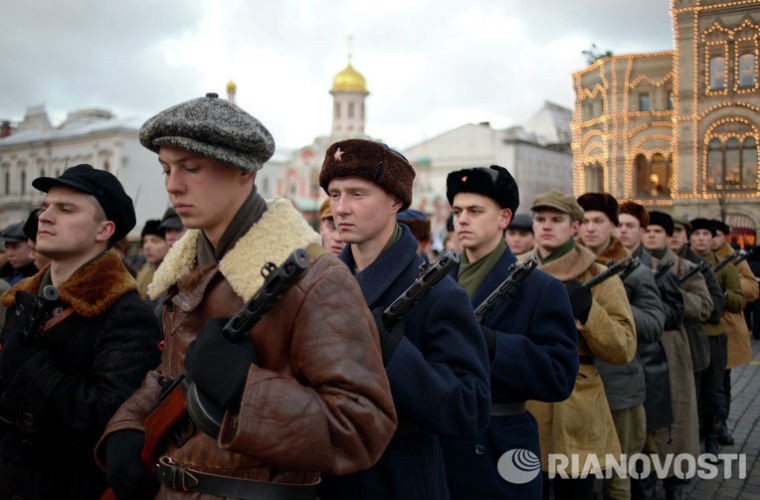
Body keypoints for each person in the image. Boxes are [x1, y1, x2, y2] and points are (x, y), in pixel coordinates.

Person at [95, 93, 397, 500]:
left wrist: (246, 390)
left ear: (245, 171)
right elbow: (171, 375)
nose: (172, 184)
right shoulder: (185, 268)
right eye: (166, 168)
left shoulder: (316, 280)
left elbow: (363, 429)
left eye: (192, 167)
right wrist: (128, 425)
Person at [318, 138, 490, 499]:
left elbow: (468, 408)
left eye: (357, 194)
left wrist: (393, 352)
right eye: (334, 195)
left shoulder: (439, 295)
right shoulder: (320, 286)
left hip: (396, 479)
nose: (341, 208)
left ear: (395, 201)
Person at [0, 164, 162, 499]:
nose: (44, 217)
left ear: (104, 230)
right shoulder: (20, 300)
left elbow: (109, 420)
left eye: (65, 209)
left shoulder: (126, 314)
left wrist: (32, 372)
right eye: (44, 207)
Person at [442, 166, 578, 500]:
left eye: (475, 211)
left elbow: (559, 375)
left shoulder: (539, 288)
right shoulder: (437, 281)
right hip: (441, 443)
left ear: (504, 218)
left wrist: (493, 345)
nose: (462, 220)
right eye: (458, 211)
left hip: (499, 444)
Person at [525, 190, 636, 500]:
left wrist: (589, 311)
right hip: (527, 401)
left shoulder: (599, 276)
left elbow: (624, 347)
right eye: (540, 219)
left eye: (557, 220)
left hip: (578, 407)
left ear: (575, 227)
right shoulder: (517, 273)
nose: (546, 226)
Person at [577, 193, 666, 500]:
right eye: (584, 221)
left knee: (619, 476)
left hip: (620, 387)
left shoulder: (635, 272)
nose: (590, 228)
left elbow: (655, 324)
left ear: (613, 227)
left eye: (598, 221)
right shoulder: (568, 269)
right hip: (577, 389)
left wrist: (613, 308)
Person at [690, 218, 744, 457]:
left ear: (713, 239)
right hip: (690, 335)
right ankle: (694, 437)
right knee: (691, 391)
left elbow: (739, 300)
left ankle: (712, 438)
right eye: (697, 234)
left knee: (713, 390)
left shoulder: (724, 267)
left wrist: (720, 293)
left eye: (706, 234)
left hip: (713, 336)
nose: (701, 238)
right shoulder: (682, 266)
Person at [711, 220, 758, 445]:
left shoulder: (734, 259)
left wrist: (728, 285)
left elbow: (752, 288)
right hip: (703, 331)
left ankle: (720, 424)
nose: (711, 239)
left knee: (722, 383)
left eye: (716, 235)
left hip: (727, 328)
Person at [134, 219, 168, 300]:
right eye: (145, 241)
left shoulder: (175, 278)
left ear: (168, 243)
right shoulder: (143, 274)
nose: (147, 247)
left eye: (154, 241)